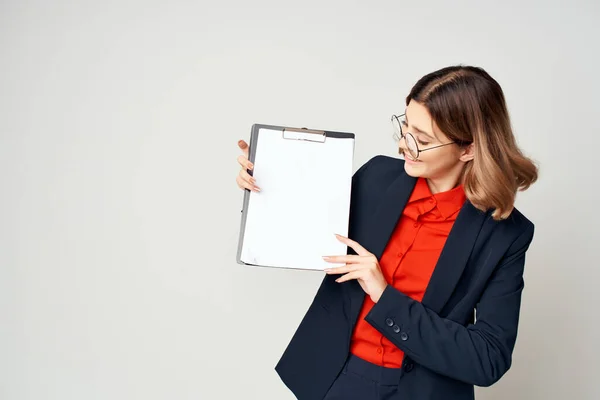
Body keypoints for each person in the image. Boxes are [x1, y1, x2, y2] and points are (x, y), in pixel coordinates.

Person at [235, 65, 538, 400]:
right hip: (336, 378)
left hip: (425, 391)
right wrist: (268, 178)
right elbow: (301, 230)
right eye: (405, 126)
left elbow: (488, 359)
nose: (404, 145)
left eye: (422, 140)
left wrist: (384, 295)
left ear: (468, 149)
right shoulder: (376, 177)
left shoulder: (505, 234)